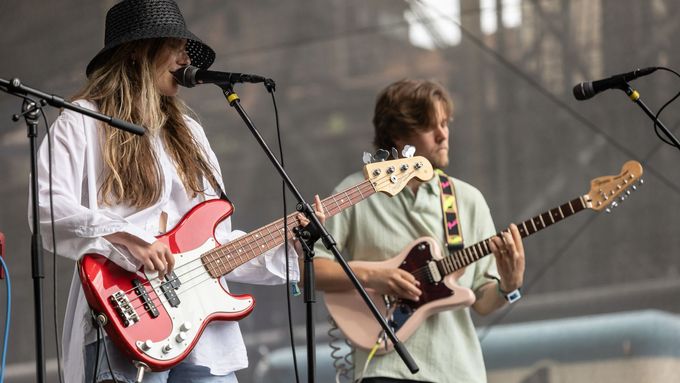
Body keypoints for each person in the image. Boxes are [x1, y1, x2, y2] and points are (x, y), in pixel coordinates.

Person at [32, 1, 323, 382]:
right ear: (138, 50)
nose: (186, 57)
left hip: (204, 335)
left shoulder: (190, 133)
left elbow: (214, 247)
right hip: (127, 322)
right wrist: (130, 238)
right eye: (176, 45)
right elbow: (49, 211)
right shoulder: (80, 122)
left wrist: (289, 244)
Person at [313, 79, 526, 383]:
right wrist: (372, 276)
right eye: (430, 126)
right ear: (399, 135)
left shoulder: (467, 200)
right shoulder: (355, 193)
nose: (443, 134)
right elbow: (310, 269)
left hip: (458, 371)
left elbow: (482, 301)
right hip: (385, 368)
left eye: (445, 123)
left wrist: (510, 285)